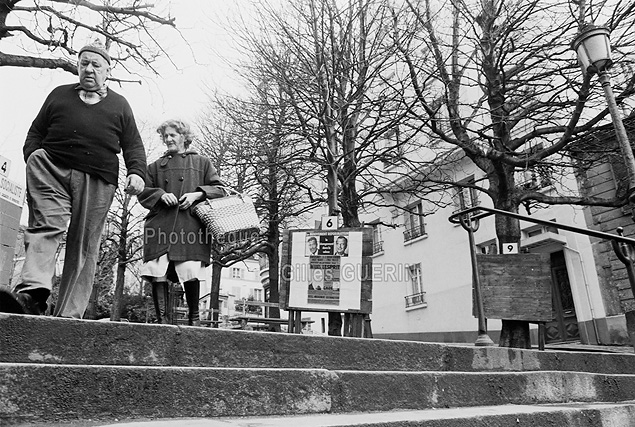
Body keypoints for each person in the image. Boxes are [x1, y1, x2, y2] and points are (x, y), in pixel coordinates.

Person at [0, 41, 146, 318]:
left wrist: (137, 172)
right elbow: (35, 132)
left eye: (96, 65)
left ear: (107, 70)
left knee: (84, 245)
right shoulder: (59, 95)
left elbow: (133, 145)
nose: (89, 69)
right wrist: (34, 157)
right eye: (84, 63)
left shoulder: (120, 105)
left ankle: (68, 315)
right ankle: (33, 294)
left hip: (98, 177)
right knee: (45, 226)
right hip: (52, 169)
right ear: (78, 66)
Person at [138, 119, 224, 326]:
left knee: (189, 270)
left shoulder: (202, 162)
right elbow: (143, 193)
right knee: (157, 271)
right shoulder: (155, 166)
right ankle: (161, 322)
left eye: (172, 135)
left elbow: (219, 189)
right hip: (160, 226)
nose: (168, 139)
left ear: (184, 137)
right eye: (165, 136)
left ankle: (194, 321)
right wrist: (160, 194)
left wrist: (197, 195)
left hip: (189, 226)